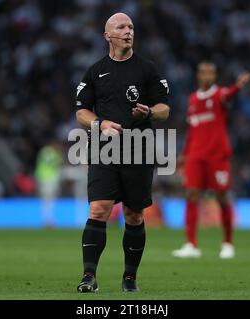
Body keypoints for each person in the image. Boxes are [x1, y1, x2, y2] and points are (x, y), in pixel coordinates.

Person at [75, 12, 170, 292]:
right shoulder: (95, 72)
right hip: (104, 150)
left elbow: (165, 109)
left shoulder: (148, 69)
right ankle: (89, 277)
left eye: (130, 26)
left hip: (138, 149)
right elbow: (80, 111)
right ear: (108, 35)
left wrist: (151, 111)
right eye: (121, 27)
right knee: (99, 208)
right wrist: (99, 123)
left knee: (134, 215)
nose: (128, 31)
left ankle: (130, 278)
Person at [172, 62, 250, 259]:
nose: (208, 76)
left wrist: (238, 86)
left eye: (211, 73)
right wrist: (184, 154)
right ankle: (191, 244)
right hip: (196, 155)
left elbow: (229, 94)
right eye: (204, 72)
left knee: (222, 197)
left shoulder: (219, 95)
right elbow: (191, 130)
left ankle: (227, 243)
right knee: (191, 194)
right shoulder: (192, 99)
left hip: (217, 156)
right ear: (198, 75)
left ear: (215, 76)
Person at [35, 140, 63, 227]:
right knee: (48, 201)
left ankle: (47, 220)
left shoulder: (45, 151)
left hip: (46, 178)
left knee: (47, 201)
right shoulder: (49, 152)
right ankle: (48, 220)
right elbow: (57, 163)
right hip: (48, 179)